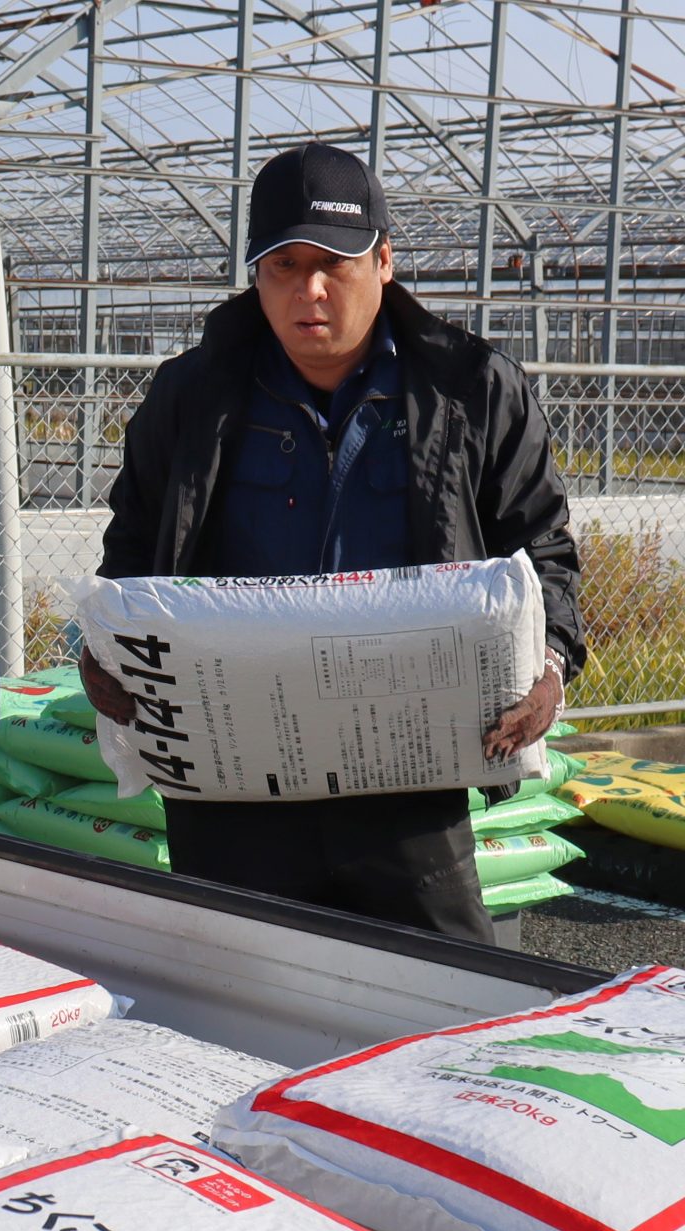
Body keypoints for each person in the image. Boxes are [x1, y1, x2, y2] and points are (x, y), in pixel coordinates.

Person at [84, 142, 581, 942]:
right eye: (284, 266)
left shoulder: (470, 393)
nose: (308, 291)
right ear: (256, 275)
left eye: (333, 264)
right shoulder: (192, 397)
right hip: (234, 789)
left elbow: (544, 551)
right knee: (234, 990)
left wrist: (550, 664)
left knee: (440, 989)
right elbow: (133, 550)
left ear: (383, 262)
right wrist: (106, 651)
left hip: (404, 784)